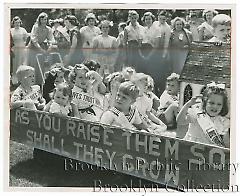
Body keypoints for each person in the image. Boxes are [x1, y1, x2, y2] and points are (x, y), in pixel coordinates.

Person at [176, 82, 230, 147]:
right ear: (205, 102)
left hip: (208, 153)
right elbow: (180, 121)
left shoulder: (223, 121)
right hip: (191, 148)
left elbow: (225, 143)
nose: (215, 106)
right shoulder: (197, 114)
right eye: (211, 103)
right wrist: (187, 105)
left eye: (219, 104)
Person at [27, 12, 55, 85]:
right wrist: (41, 49)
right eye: (42, 19)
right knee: (33, 65)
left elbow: (51, 39)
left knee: (41, 65)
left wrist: (50, 47)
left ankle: (40, 82)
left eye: (45, 19)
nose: (44, 21)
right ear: (39, 20)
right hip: (33, 47)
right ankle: (31, 82)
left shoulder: (48, 29)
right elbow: (34, 39)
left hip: (41, 47)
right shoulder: (35, 27)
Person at [152, 10, 172, 96]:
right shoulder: (155, 24)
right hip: (152, 50)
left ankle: (162, 93)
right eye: (160, 18)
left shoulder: (167, 28)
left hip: (161, 52)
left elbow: (166, 42)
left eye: (164, 19)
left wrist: (164, 54)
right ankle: (153, 90)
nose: (162, 20)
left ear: (166, 19)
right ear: (158, 17)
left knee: (161, 73)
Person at [10, 16, 29, 84]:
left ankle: (23, 80)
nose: (17, 24)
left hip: (22, 48)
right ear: (13, 23)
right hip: (14, 48)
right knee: (15, 64)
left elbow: (26, 37)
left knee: (22, 63)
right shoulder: (11, 30)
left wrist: (24, 43)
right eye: (16, 23)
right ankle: (15, 81)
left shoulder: (23, 30)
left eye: (18, 22)